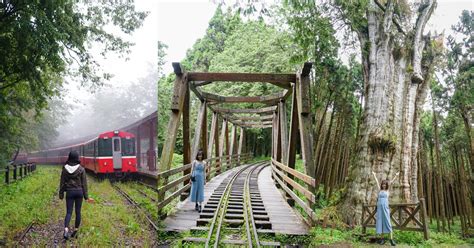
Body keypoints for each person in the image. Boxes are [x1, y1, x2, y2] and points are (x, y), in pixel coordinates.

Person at [59, 151, 93, 240]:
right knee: (78, 212)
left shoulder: (65, 168)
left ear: (69, 157)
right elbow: (84, 184)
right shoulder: (81, 169)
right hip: (79, 192)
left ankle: (66, 230)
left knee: (69, 212)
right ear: (77, 158)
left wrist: (61, 193)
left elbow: (62, 182)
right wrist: (86, 197)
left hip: (69, 192)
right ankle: (75, 231)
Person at [372, 170, 400, 246]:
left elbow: (392, 182)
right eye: (383, 184)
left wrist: (396, 176)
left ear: (386, 185)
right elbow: (377, 182)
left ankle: (391, 239)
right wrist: (374, 175)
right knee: (380, 222)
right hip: (380, 209)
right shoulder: (380, 190)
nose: (384, 185)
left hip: (385, 208)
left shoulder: (387, 191)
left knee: (387, 222)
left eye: (385, 184)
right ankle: (382, 239)